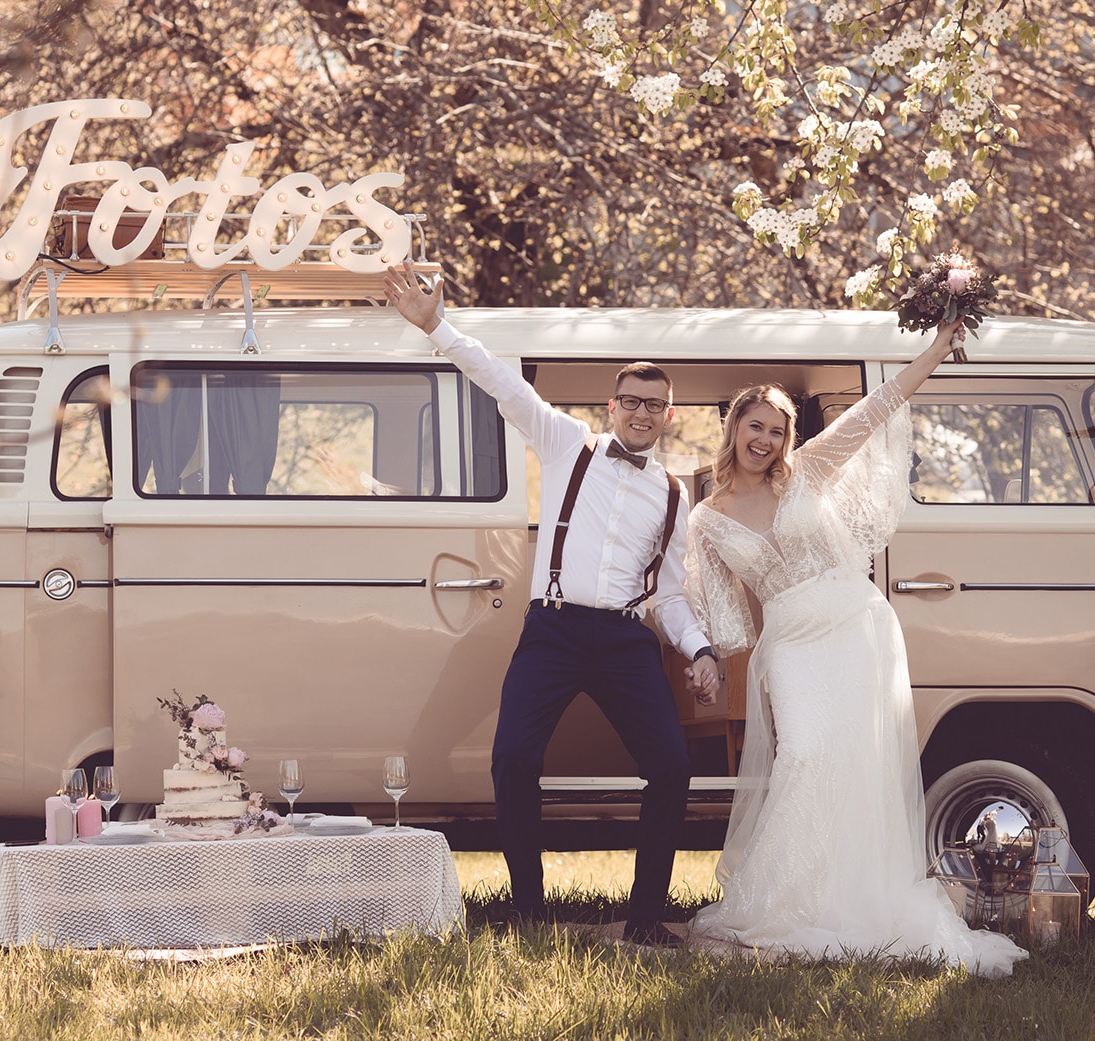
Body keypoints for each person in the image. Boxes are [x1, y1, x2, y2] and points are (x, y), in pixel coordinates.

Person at [384, 262, 721, 947]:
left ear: (669, 414)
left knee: (671, 767)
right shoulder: (570, 444)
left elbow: (670, 593)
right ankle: (530, 910)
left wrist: (702, 648)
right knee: (512, 758)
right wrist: (436, 327)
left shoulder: (675, 496)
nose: (641, 411)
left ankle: (648, 914)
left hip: (627, 641)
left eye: (654, 403)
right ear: (612, 404)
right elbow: (501, 381)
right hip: (554, 629)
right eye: (631, 399)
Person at [684, 320, 1028, 977]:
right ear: (733, 428)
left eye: (775, 430)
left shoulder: (808, 470)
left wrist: (932, 351)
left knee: (857, 764)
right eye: (754, 426)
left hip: (854, 624)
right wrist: (706, 661)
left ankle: (855, 900)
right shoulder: (706, 517)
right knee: (806, 755)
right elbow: (726, 615)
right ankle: (791, 898)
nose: (764, 440)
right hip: (791, 641)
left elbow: (878, 407)